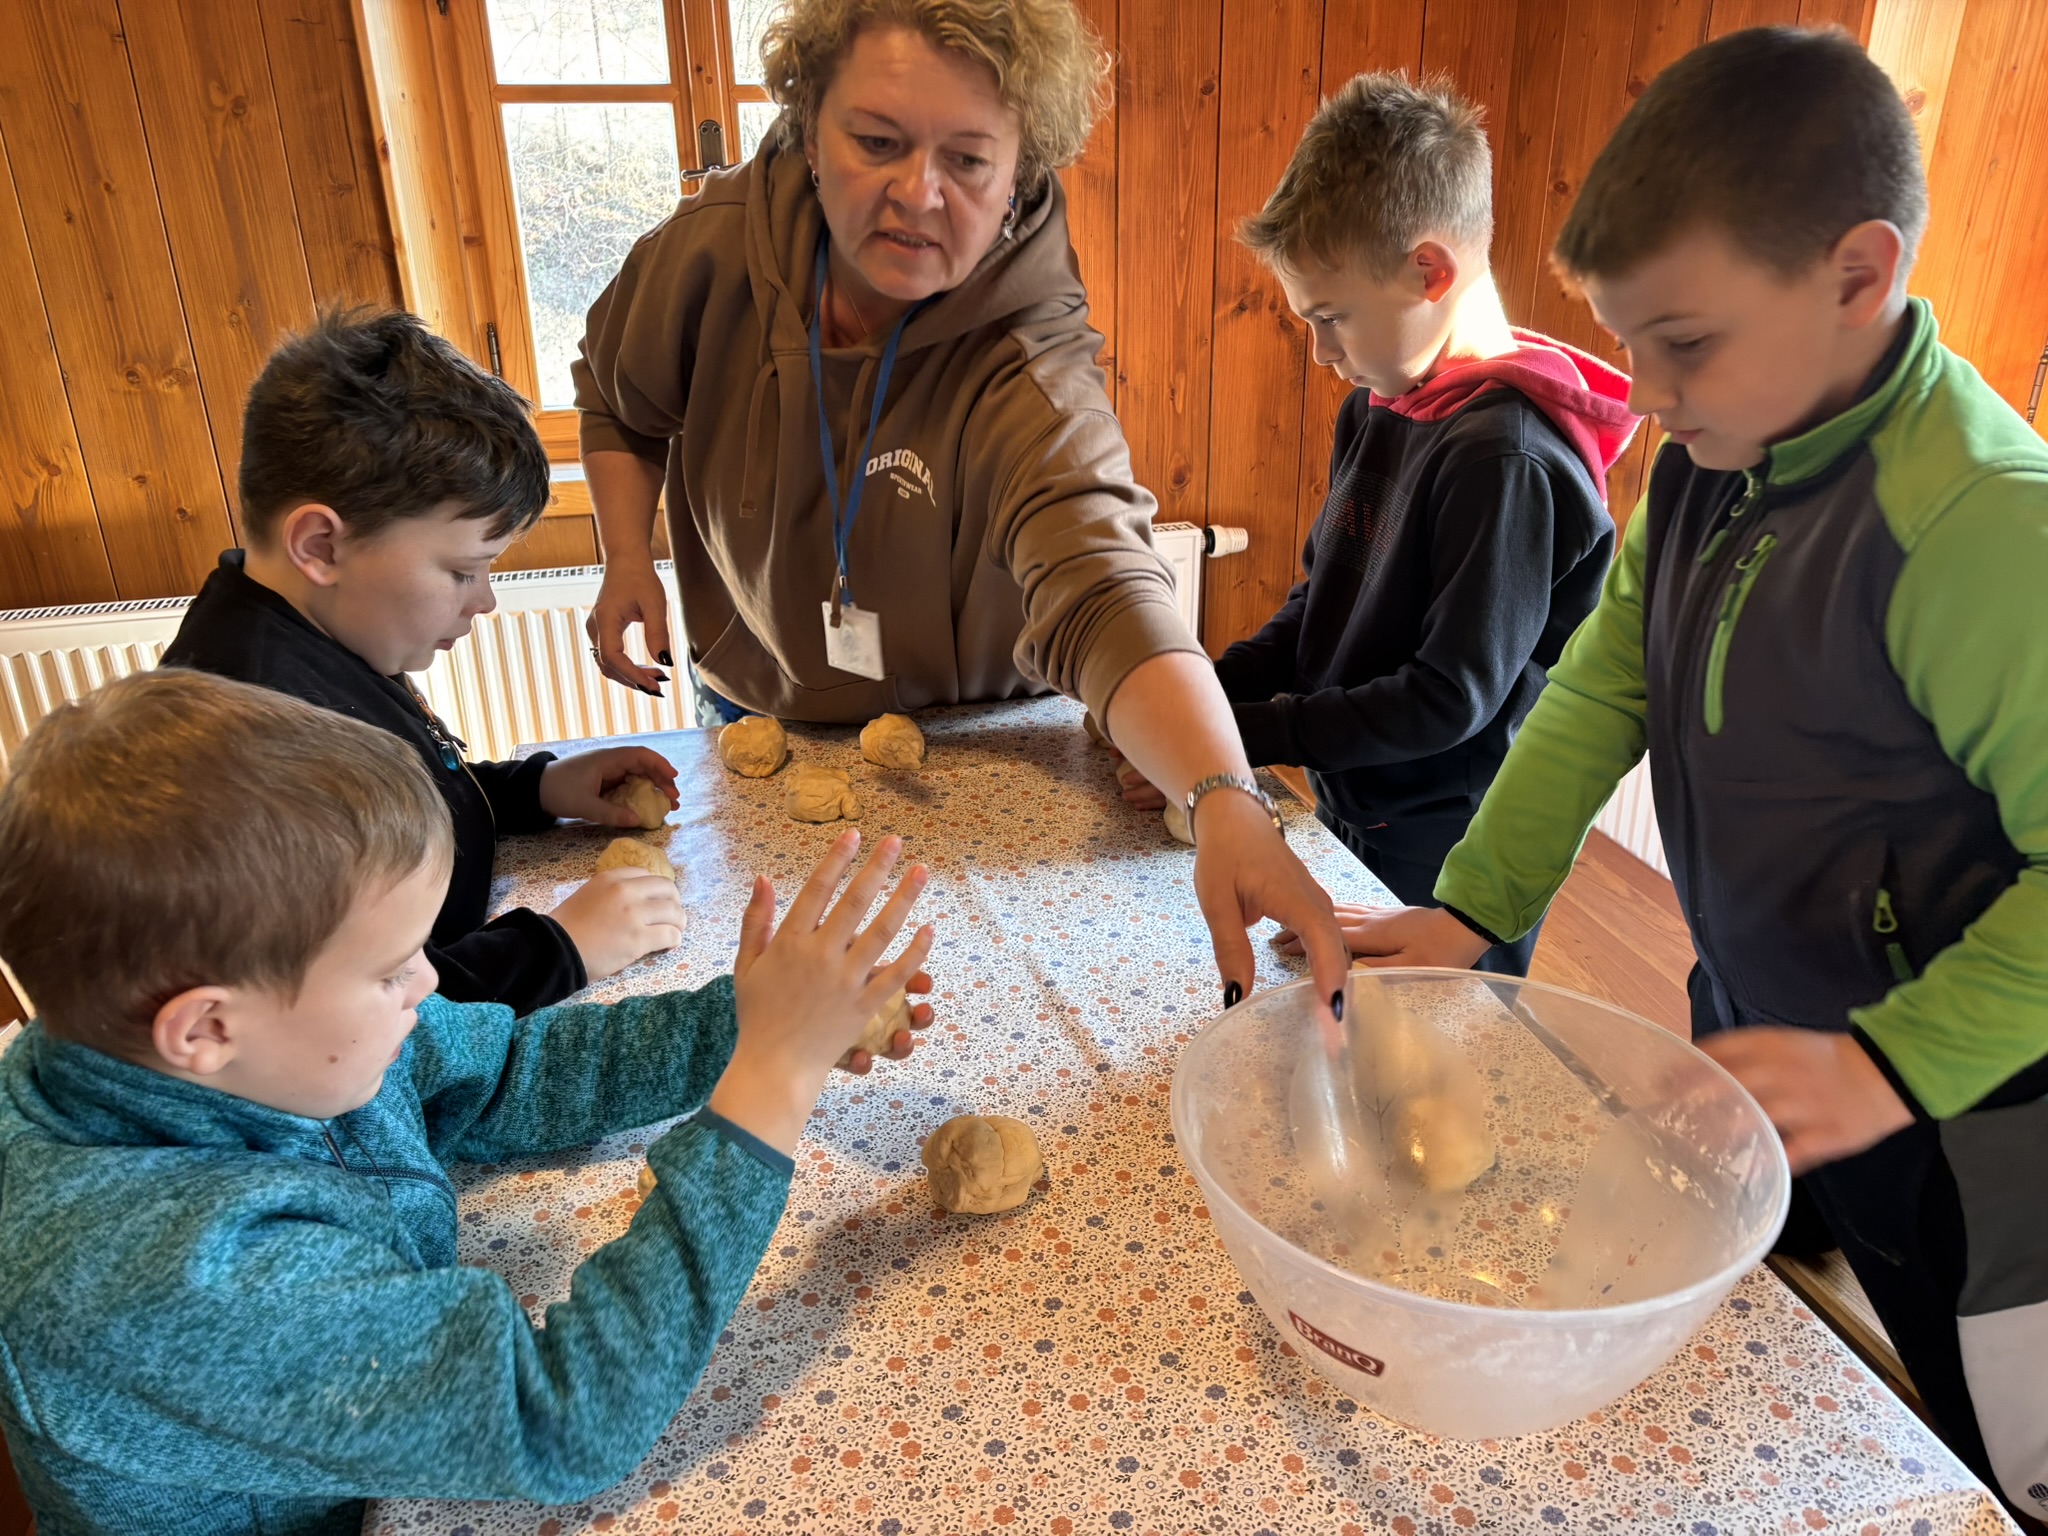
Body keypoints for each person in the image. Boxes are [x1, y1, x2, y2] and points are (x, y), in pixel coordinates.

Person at [1330, 29, 2048, 1516]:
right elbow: (1606, 682)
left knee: (1987, 1450)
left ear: (1858, 275)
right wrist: (1473, 908)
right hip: (1768, 1024)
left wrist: (1893, 1063)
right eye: (1627, 341)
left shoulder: (1982, 528)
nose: (1644, 391)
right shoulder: (1717, 451)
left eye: (1684, 342)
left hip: (1975, 1113)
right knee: (1787, 1344)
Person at [0, 670, 934, 1536]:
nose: (426, 981)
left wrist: (746, 1024)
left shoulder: (271, 1047)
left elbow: (507, 1070)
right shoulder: (162, 1286)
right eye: (388, 969)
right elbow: (561, 1417)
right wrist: (769, 1087)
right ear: (206, 1027)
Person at [573, 0, 1346, 1021]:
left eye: (969, 160)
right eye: (876, 142)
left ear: (1020, 168)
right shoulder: (706, 252)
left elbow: (1103, 581)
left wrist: (1223, 798)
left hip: (978, 739)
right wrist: (627, 557)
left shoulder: (1027, 349)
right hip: (757, 703)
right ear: (810, 129)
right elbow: (617, 402)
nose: (918, 194)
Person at [1120, 73, 1633, 976]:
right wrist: (1201, 704)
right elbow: (1320, 603)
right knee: (1334, 1011)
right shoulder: (1379, 405)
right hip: (1356, 797)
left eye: (1332, 317)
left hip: (1449, 844)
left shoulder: (1505, 459)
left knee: (1429, 1039)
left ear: (1429, 272)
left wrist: (1251, 734)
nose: (1322, 352)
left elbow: (1447, 698)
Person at [163, 310, 689, 1017]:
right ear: (320, 546)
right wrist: (560, 948)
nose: (486, 601)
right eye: (463, 571)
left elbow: (413, 795)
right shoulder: (251, 746)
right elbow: (355, 1019)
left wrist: (538, 790)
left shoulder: (321, 627)